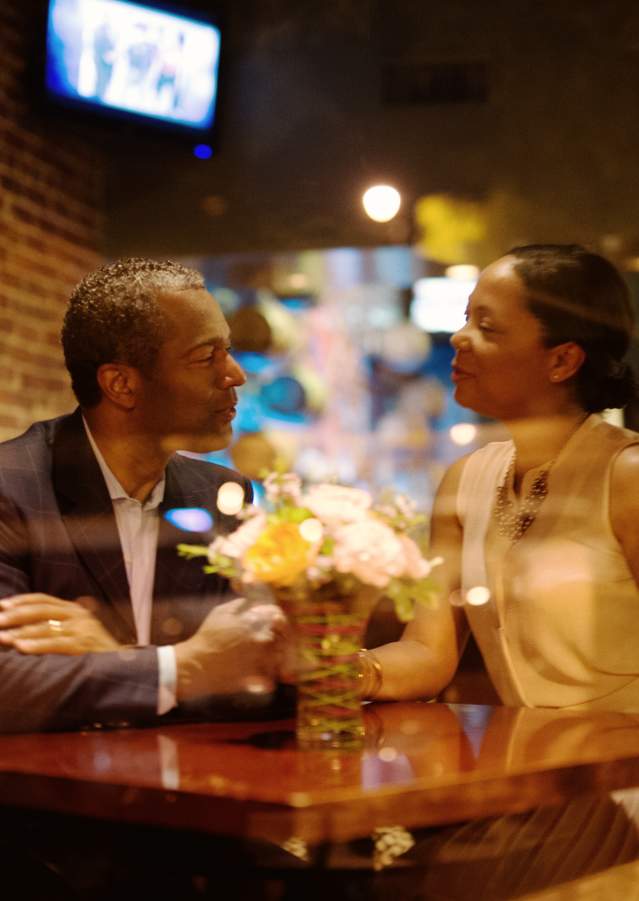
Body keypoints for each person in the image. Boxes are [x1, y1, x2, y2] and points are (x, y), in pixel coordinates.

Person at [0, 258, 285, 733]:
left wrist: (120, 659)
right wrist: (183, 667)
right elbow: (8, 684)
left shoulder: (219, 493)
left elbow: (255, 673)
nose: (234, 374)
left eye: (228, 351)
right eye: (205, 356)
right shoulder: (12, 485)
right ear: (122, 384)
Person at [360, 243, 639, 712]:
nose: (458, 338)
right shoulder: (465, 481)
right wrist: (341, 671)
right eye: (466, 318)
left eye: (486, 327)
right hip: (529, 773)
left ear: (562, 361)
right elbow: (430, 652)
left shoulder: (626, 475)